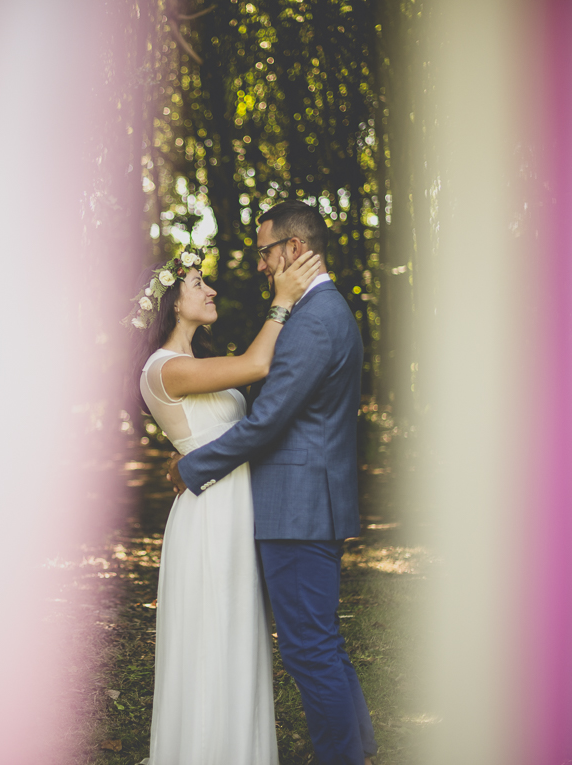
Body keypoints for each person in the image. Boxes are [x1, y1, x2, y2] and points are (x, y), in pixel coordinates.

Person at [168, 200, 378, 765]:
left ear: (293, 249)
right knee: (320, 641)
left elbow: (268, 421)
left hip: (299, 508)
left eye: (265, 251)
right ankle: (356, 749)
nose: (260, 264)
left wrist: (193, 468)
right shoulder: (321, 312)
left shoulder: (316, 318)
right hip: (307, 503)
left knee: (310, 650)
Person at [127, 246, 320, 765]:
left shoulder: (196, 362)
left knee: (236, 632)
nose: (210, 289)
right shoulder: (164, 368)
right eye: (196, 283)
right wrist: (282, 301)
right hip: (210, 516)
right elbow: (258, 364)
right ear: (172, 303)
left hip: (234, 508)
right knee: (212, 637)